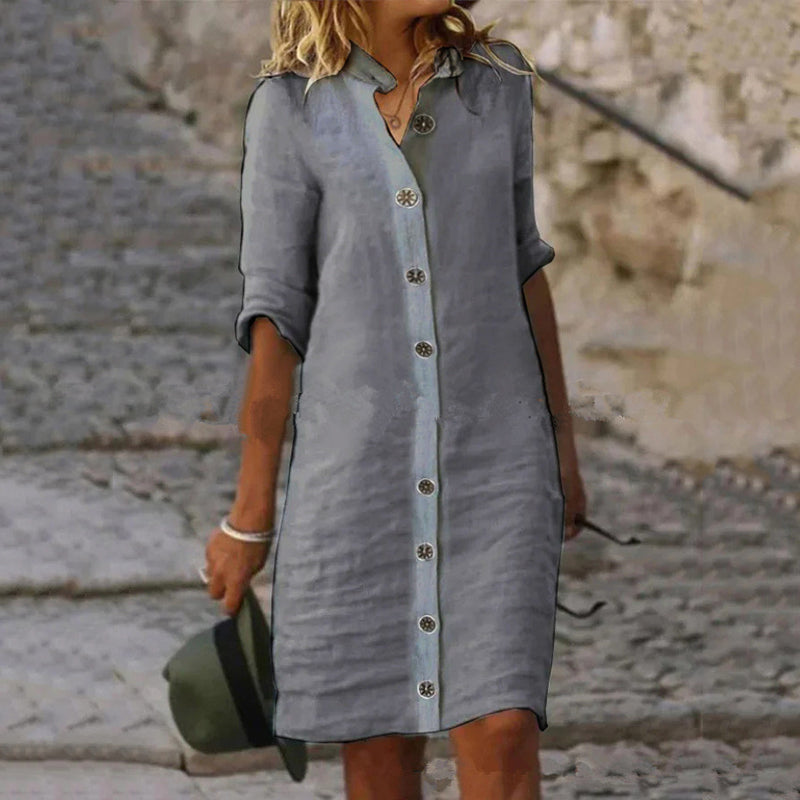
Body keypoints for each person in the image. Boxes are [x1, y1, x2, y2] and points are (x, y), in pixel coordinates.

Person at [203, 1, 587, 798]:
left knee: (504, 728)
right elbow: (276, 316)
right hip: (357, 478)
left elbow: (524, 265)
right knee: (378, 749)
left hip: (498, 463)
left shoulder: (498, 86)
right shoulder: (290, 109)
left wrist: (562, 449)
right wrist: (249, 514)